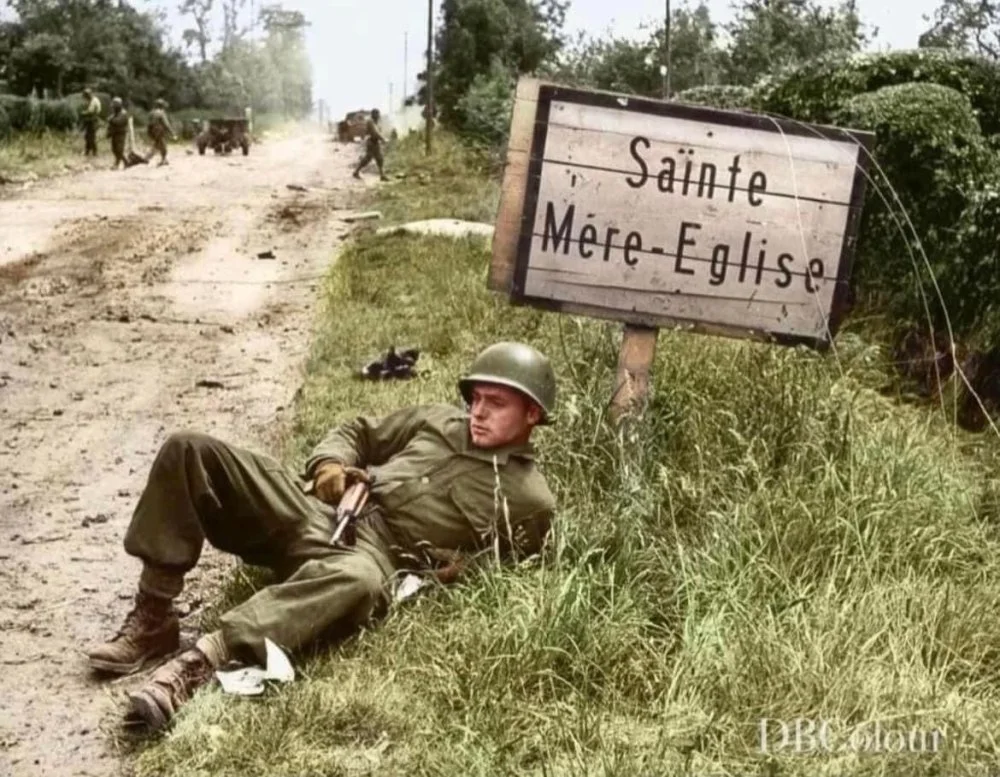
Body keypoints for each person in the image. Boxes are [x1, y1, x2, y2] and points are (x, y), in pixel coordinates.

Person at [86, 341, 558, 730]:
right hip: (320, 509)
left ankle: (200, 663)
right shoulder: (439, 420)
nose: (477, 412)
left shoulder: (529, 500)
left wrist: (459, 569)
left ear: (532, 414)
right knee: (189, 448)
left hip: (373, 555)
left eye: (495, 404)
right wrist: (330, 465)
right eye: (474, 399)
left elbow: (516, 565)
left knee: (360, 582)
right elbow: (359, 431)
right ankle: (153, 616)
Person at [352, 107, 388, 181]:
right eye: (377, 114)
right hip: (372, 142)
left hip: (375, 142)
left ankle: (382, 175)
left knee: (378, 159)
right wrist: (383, 139)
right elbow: (375, 133)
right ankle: (356, 172)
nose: (379, 116)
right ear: (374, 115)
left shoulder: (375, 122)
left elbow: (378, 132)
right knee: (369, 159)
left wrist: (382, 138)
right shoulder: (370, 122)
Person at [145, 98, 176, 167]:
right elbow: (166, 124)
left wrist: (149, 132)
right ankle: (148, 159)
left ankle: (159, 159)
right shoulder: (161, 113)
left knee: (157, 145)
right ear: (162, 105)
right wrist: (172, 133)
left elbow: (149, 124)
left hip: (153, 131)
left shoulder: (151, 112)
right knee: (162, 146)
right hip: (159, 131)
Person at [106, 97, 130, 170]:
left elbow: (118, 122)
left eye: (114, 106)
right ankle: (125, 162)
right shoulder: (115, 113)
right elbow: (111, 121)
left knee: (119, 149)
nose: (113, 107)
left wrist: (110, 119)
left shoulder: (123, 113)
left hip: (120, 134)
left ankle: (119, 164)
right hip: (114, 133)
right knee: (114, 149)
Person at [80, 89, 102, 157]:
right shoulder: (91, 100)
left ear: (88, 95)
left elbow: (91, 111)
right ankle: (87, 151)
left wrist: (83, 113)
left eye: (86, 96)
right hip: (90, 120)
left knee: (91, 137)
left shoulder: (94, 101)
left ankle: (95, 152)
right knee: (87, 136)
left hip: (93, 120)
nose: (85, 98)